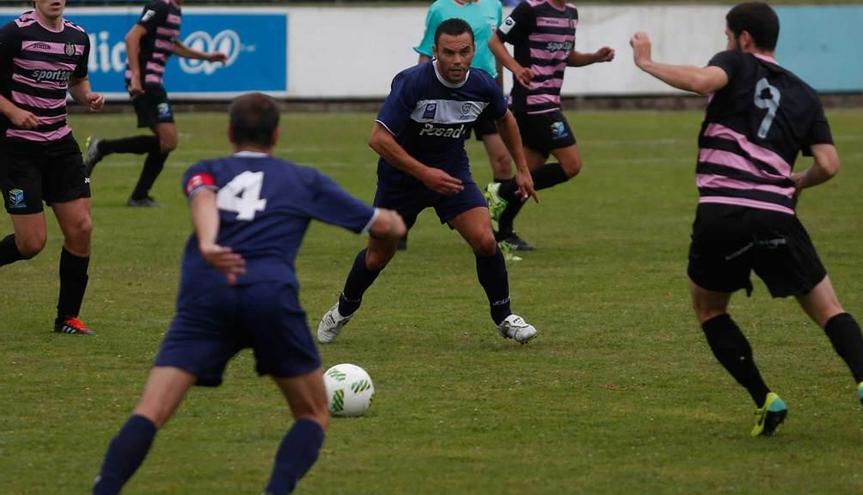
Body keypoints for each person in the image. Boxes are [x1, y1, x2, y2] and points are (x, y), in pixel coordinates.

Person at [92, 93, 406, 494]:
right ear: (276, 135)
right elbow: (383, 225)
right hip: (268, 295)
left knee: (151, 411)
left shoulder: (205, 168)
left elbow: (202, 195)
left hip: (206, 294)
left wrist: (209, 242)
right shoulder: (303, 179)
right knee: (312, 414)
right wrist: (394, 221)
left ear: (229, 133)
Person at [630, 1, 863, 436]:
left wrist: (646, 61)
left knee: (709, 309)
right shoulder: (804, 93)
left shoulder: (736, 63)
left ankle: (765, 398)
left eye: (727, 37)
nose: (726, 44)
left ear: (743, 38)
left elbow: (700, 81)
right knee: (829, 309)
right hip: (776, 215)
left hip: (722, 213)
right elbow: (830, 163)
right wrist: (797, 181)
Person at [316, 19, 540, 346]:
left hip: (451, 173)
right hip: (400, 181)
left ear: (473, 51)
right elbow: (378, 139)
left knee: (485, 241)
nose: (457, 60)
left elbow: (504, 118)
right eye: (449, 53)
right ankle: (344, 308)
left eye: (464, 52)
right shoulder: (412, 83)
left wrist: (522, 168)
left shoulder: (482, 84)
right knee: (378, 256)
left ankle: (504, 317)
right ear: (435, 52)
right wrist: (423, 173)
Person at [0, 0, 105, 335]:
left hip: (60, 144)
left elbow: (77, 81)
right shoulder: (14, 34)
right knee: (31, 243)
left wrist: (86, 97)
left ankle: (67, 318)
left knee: (81, 229)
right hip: (17, 147)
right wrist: (13, 112)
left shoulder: (78, 37)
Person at [487, 0, 614, 251]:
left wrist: (594, 58)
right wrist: (516, 68)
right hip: (533, 104)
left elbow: (569, 57)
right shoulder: (530, 9)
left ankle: (503, 230)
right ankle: (500, 193)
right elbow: (494, 41)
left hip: (549, 103)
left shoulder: (571, 12)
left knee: (529, 174)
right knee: (572, 165)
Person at [83, 0, 227, 207]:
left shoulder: (175, 9)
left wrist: (206, 57)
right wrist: (135, 75)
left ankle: (132, 186)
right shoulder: (160, 6)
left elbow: (171, 43)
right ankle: (111, 159)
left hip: (152, 81)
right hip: (145, 83)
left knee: (165, 141)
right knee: (168, 141)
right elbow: (132, 37)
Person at [411, 0, 512, 253]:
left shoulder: (494, 6)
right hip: (448, 96)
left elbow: (495, 51)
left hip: (482, 94)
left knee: (502, 162)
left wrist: (500, 90)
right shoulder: (440, 8)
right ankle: (400, 221)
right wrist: (419, 92)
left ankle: (498, 226)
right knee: (428, 161)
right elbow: (426, 51)